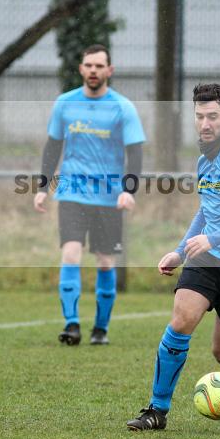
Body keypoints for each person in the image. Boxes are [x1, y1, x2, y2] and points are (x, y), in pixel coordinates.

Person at [127, 83, 220, 431]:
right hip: (210, 257)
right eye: (199, 116)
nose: (205, 123)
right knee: (182, 319)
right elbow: (208, 207)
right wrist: (181, 250)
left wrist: (211, 239)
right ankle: (156, 410)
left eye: (212, 116)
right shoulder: (205, 157)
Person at [33, 44, 145, 346]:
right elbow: (53, 146)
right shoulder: (65, 103)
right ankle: (71, 325)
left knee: (105, 261)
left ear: (109, 70)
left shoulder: (123, 107)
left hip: (109, 197)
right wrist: (43, 188)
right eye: (89, 65)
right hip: (71, 192)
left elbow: (135, 153)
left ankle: (101, 329)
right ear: (81, 69)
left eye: (99, 66)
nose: (94, 71)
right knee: (70, 253)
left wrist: (128, 190)